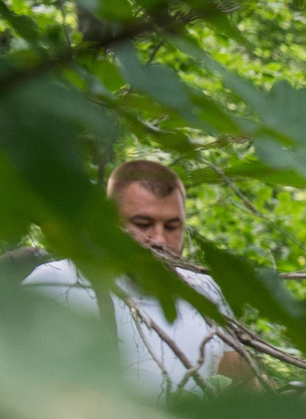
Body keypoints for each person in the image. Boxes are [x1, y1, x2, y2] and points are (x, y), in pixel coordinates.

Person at [22, 161, 253, 391]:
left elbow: (243, 376)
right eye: (143, 224)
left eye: (172, 226)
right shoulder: (58, 282)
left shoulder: (203, 288)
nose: (160, 239)